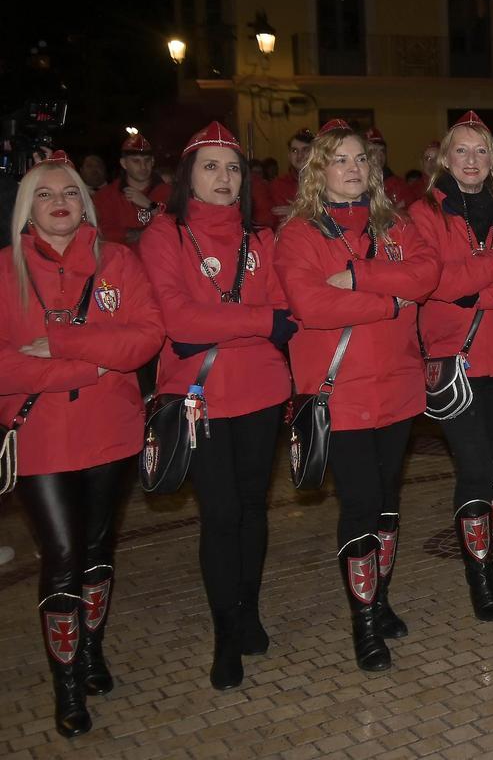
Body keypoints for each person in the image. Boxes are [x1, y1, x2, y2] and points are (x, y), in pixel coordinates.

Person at [0, 152, 164, 736]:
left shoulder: (119, 260)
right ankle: (66, 685)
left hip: (111, 433)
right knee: (62, 558)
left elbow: (146, 339)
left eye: (68, 190)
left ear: (86, 198)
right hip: (41, 439)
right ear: (27, 208)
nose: (59, 201)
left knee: (98, 551)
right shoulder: (4, 269)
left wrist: (60, 344)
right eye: (44, 194)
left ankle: (90, 652)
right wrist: (90, 365)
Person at [275, 119, 439, 672]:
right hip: (339, 392)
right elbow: (313, 307)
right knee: (361, 504)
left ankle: (381, 599)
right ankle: (363, 623)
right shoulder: (299, 233)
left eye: (360, 160)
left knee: (388, 501)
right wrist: (390, 302)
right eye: (339, 160)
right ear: (317, 171)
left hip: (397, 385)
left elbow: (424, 277)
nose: (352, 169)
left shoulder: (396, 222)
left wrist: (357, 275)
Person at [138, 123, 296, 691]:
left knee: (254, 509)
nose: (223, 178)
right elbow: (179, 321)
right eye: (210, 167)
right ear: (188, 176)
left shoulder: (262, 238)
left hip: (261, 391)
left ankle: (249, 610)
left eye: (232, 168)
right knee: (221, 514)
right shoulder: (164, 235)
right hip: (197, 399)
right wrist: (257, 323)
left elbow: (288, 315)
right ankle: (224, 633)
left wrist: (227, 327)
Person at [410, 111, 493, 621]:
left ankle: (485, 561)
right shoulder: (423, 212)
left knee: (492, 469)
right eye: (462, 151)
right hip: (452, 359)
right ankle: (478, 577)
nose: (472, 160)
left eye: (482, 151)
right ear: (446, 158)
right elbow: (436, 283)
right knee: (473, 468)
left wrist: (475, 293)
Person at [92, 133, 172, 246]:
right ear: (124, 163)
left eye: (147, 160)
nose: (143, 166)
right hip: (121, 260)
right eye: (136, 161)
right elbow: (103, 233)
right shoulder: (106, 196)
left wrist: (151, 206)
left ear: (153, 161)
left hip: (161, 259)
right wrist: (148, 232)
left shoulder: (170, 192)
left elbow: (178, 226)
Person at [268, 128, 313, 225]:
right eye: (294, 151)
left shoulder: (327, 183)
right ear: (289, 156)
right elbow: (277, 220)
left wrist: (300, 213)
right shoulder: (278, 185)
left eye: (305, 150)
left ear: (315, 154)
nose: (300, 155)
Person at [365, 127, 410, 209]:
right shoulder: (357, 184)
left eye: (382, 151)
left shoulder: (398, 185)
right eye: (374, 151)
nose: (379, 156)